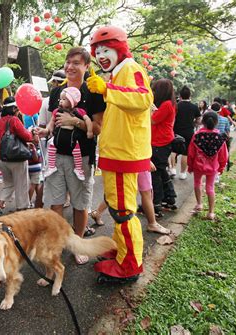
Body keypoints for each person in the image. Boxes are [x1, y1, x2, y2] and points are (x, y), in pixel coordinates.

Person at [87, 26, 152, 283]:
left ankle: (129, 265)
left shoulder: (131, 69)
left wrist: (106, 90)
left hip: (125, 154)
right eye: (98, 51)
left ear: (120, 48)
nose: (102, 55)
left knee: (124, 212)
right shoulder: (117, 73)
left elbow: (143, 98)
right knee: (117, 209)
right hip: (117, 153)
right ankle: (121, 252)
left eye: (107, 50)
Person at [41, 47, 106, 265]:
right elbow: (53, 122)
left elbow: (98, 127)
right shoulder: (56, 92)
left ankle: (78, 244)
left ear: (87, 66)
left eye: (76, 63)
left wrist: (76, 122)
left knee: (80, 203)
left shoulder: (94, 92)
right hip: (56, 157)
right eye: (68, 62)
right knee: (56, 203)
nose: (70, 66)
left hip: (83, 159)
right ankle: (58, 244)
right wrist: (44, 131)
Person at [41, 87, 93, 181]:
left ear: (72, 101)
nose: (61, 101)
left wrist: (89, 131)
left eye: (64, 99)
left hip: (72, 138)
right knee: (51, 147)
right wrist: (48, 130)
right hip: (58, 138)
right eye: (60, 99)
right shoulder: (56, 111)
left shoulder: (78, 111)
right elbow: (52, 121)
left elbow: (87, 120)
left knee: (76, 151)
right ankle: (51, 166)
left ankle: (78, 169)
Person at [0, 96, 39, 211]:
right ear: (14, 108)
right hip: (16, 158)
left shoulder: (0, 121)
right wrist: (31, 133)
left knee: (9, 183)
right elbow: (26, 136)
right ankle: (22, 210)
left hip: (2, 158)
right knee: (21, 186)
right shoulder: (14, 120)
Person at [188, 111, 228, 220]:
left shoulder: (197, 136)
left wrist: (190, 166)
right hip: (213, 167)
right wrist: (222, 167)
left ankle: (199, 204)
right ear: (216, 122)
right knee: (210, 188)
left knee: (197, 183)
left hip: (198, 166)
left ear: (203, 122)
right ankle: (211, 213)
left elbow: (191, 153)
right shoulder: (220, 137)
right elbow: (224, 155)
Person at [150, 79, 177, 215]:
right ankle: (169, 198)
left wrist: (148, 108)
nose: (153, 92)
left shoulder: (166, 105)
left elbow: (153, 120)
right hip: (161, 141)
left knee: (155, 173)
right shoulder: (168, 104)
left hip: (160, 142)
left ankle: (156, 204)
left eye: (155, 90)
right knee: (161, 171)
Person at [170, 86, 201, 179]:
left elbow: (172, 118)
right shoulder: (194, 107)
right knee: (185, 153)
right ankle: (183, 173)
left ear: (180, 95)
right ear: (190, 95)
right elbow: (199, 120)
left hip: (176, 131)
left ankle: (173, 169)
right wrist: (194, 123)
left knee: (173, 150)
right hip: (188, 132)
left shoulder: (176, 105)